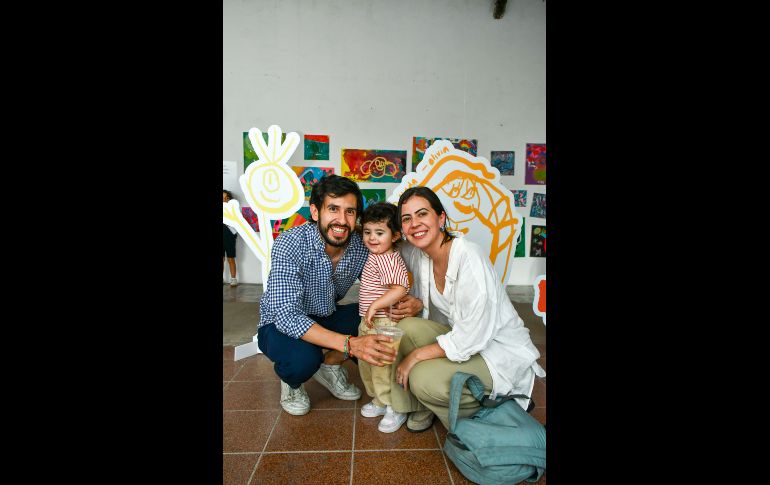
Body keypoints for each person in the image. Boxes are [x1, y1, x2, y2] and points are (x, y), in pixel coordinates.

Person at [256, 174, 424, 416]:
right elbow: (287, 315)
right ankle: (292, 384)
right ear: (315, 212)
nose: (342, 220)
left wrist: (413, 301)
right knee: (303, 359)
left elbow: (394, 264)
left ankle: (331, 364)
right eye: (333, 209)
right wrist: (351, 344)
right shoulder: (290, 243)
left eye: (350, 212)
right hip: (278, 323)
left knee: (377, 321)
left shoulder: (360, 242)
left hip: (326, 314)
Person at [385, 186, 546, 432]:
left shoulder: (469, 256)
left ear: (441, 218)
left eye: (422, 214)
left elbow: (473, 335)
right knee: (405, 327)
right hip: (462, 340)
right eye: (407, 219)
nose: (414, 223)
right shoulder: (421, 253)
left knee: (422, 378)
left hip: (495, 352)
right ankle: (413, 406)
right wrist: (418, 302)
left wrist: (415, 356)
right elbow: (382, 242)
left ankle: (489, 409)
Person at [356, 202, 411, 433]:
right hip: (370, 321)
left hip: (383, 323)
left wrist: (375, 305)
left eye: (380, 233)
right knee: (368, 364)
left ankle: (393, 405)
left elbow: (401, 288)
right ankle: (379, 400)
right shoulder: (376, 255)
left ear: (395, 235)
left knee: (382, 366)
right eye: (368, 232)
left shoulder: (389, 259)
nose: (372, 238)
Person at [223, 190, 239, 287]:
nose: (224, 200)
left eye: (226, 198)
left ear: (229, 199)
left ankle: (233, 279)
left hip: (229, 235)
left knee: (231, 258)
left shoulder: (233, 210)